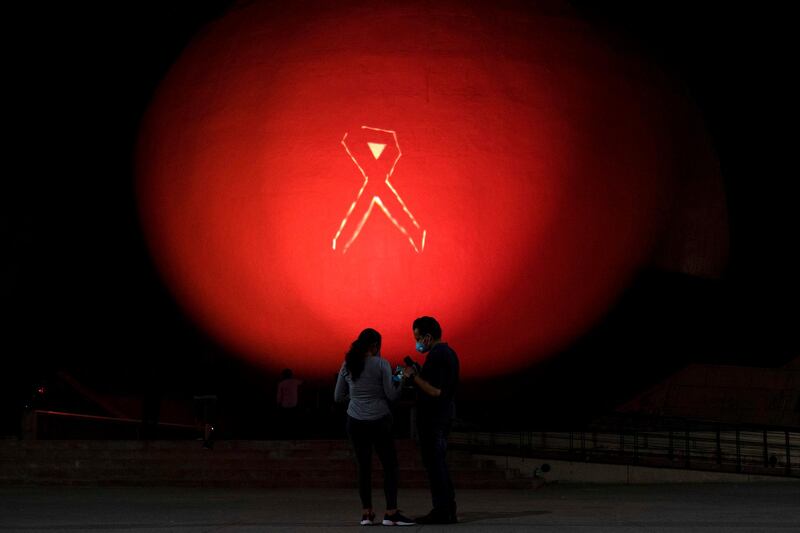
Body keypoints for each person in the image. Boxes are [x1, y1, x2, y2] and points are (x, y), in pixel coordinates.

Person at [334, 328, 415, 526]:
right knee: (389, 466)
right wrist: (402, 380)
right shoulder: (381, 364)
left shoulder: (347, 364)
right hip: (379, 420)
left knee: (364, 467)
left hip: (355, 421)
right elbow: (392, 396)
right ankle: (391, 513)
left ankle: (366, 514)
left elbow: (337, 397)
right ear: (376, 346)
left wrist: (356, 398)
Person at [403, 316, 460, 524]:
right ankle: (447, 509)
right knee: (439, 465)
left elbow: (436, 391)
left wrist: (413, 377)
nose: (417, 342)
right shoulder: (448, 353)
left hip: (434, 419)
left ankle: (442, 511)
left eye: (417, 338)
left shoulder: (438, 355)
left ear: (427, 337)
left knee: (435, 466)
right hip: (443, 417)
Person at [276, 368, 302, 437]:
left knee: (285, 423)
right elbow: (302, 382)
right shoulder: (295, 382)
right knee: (293, 422)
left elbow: (279, 396)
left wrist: (278, 404)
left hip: (285, 406)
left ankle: (285, 435)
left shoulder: (281, 384)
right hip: (294, 405)